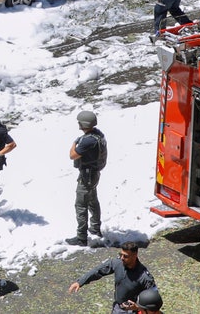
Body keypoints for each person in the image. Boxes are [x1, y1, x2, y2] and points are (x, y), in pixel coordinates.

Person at [67, 241, 157, 313]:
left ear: (135, 255)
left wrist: (137, 307)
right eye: (120, 254)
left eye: (125, 256)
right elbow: (98, 270)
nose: (121, 258)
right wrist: (80, 282)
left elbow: (154, 303)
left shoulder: (145, 277)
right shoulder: (117, 263)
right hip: (117, 308)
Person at [66, 109, 108, 246]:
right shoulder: (98, 135)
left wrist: (74, 144)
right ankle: (95, 228)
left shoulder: (87, 141)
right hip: (93, 174)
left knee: (81, 205)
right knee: (93, 201)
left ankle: (81, 237)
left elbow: (72, 155)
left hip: (87, 176)